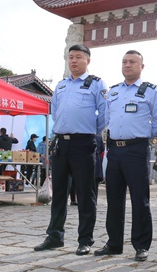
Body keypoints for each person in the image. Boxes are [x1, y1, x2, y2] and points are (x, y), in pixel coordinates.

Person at [34, 44, 108, 256]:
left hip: (83, 143)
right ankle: (55, 236)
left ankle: (85, 239)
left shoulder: (96, 83)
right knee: (59, 193)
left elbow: (104, 113)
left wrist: (89, 131)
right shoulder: (61, 85)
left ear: (88, 61)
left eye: (78, 57)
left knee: (85, 193)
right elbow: (55, 112)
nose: (74, 61)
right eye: (71, 57)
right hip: (61, 144)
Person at [94, 50, 157, 262]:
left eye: (132, 62)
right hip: (114, 150)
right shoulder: (113, 91)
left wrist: (141, 137)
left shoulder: (151, 91)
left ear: (141, 66)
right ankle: (114, 243)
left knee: (139, 200)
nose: (127, 65)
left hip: (136, 150)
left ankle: (141, 245)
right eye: (124, 62)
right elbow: (107, 118)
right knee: (113, 199)